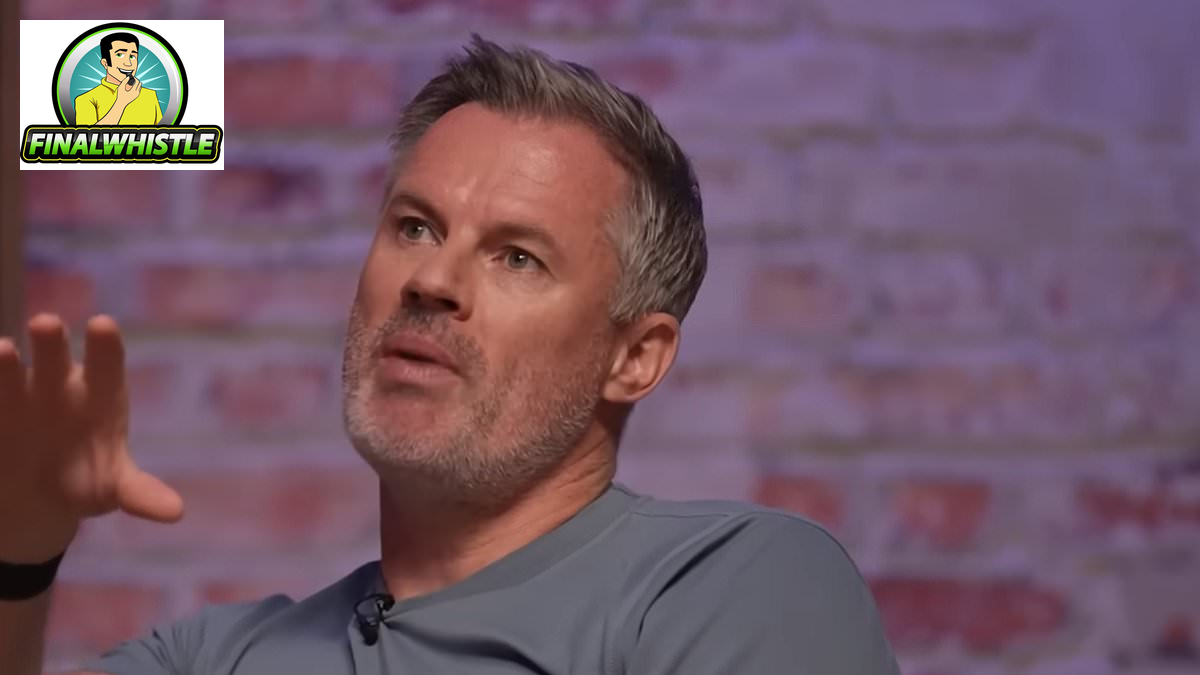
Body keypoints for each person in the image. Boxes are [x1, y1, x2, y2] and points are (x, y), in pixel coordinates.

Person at [0, 36, 900, 675]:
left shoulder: (734, 585)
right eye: (415, 227)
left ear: (635, 357)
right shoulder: (214, 657)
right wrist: (20, 549)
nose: (432, 278)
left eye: (518, 257)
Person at [73, 32, 163, 126]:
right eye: (120, 55)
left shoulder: (150, 95)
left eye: (132, 56)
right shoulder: (86, 100)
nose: (128, 63)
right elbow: (88, 135)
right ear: (105, 63)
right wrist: (121, 102)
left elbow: (163, 131)